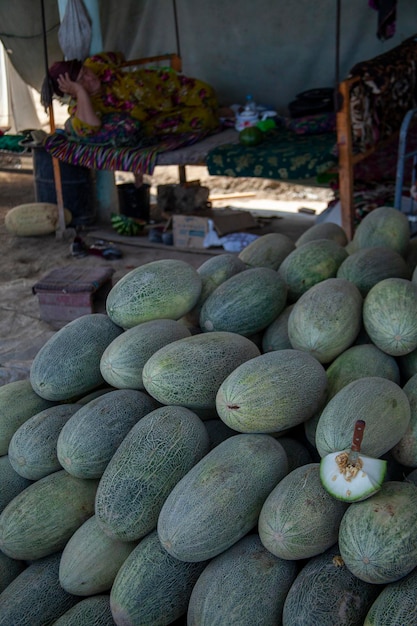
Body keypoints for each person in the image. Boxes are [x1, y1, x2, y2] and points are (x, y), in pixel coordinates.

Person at [47, 51, 221, 144]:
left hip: (161, 87)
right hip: (155, 117)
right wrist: (81, 92)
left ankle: (223, 112)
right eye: (81, 81)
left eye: (86, 72)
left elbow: (117, 56)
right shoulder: (82, 109)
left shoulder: (96, 64)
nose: (90, 78)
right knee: (204, 118)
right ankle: (222, 115)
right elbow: (91, 126)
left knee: (206, 92)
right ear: (72, 90)